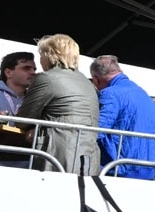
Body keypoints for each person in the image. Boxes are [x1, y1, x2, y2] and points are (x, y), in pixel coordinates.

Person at [18, 33, 103, 175]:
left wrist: (35, 128)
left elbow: (23, 120)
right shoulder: (87, 82)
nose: (40, 60)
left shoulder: (46, 78)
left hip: (57, 154)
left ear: (49, 55)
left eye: (41, 55)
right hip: (88, 156)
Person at [88, 55, 155, 180]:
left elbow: (98, 131)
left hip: (118, 169)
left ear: (96, 79)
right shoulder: (140, 92)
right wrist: (153, 144)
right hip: (147, 168)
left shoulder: (110, 93)